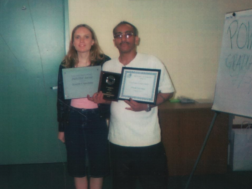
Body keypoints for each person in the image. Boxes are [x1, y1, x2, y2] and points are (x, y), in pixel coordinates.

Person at [89, 21, 175, 189]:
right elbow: (112, 98)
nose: (123, 39)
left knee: (154, 185)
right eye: (118, 35)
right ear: (114, 41)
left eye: (128, 34)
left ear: (136, 39)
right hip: (118, 140)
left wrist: (147, 106)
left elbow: (167, 92)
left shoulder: (152, 62)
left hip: (148, 141)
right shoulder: (108, 65)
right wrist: (101, 100)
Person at [57, 24, 111, 189]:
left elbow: (112, 93)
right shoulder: (66, 64)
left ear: (93, 41)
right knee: (76, 163)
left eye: (86, 36)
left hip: (98, 118)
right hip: (73, 118)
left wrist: (107, 114)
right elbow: (60, 98)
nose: (82, 41)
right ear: (72, 42)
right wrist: (61, 127)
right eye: (77, 37)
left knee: (98, 163)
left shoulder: (105, 62)